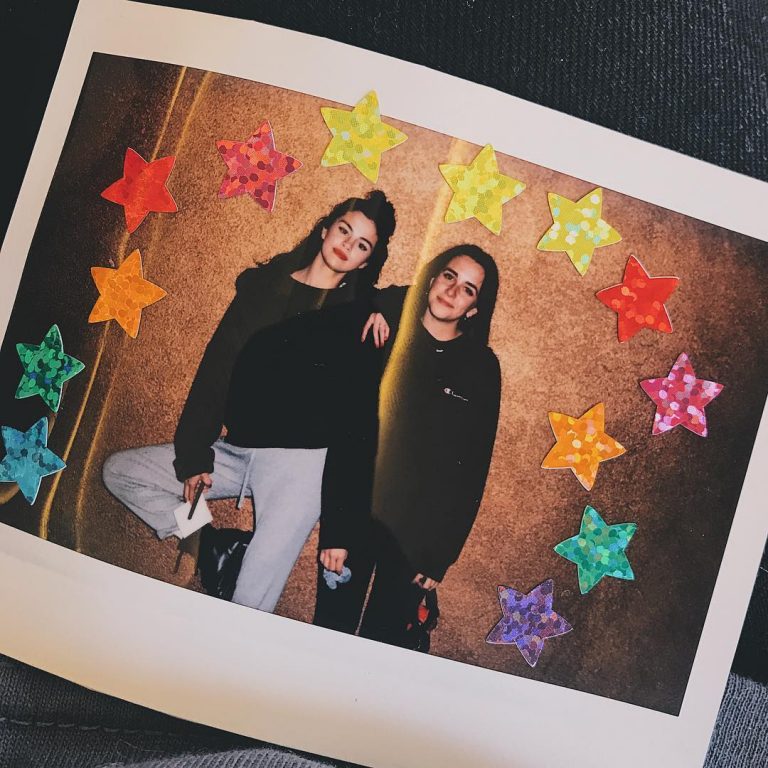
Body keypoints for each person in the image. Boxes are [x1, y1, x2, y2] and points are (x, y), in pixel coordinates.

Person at [103, 191, 396, 612]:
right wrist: (195, 456)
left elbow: (359, 425)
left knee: (250, 602)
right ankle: (207, 542)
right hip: (235, 449)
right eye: (345, 230)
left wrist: (340, 527)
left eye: (362, 245)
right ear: (325, 228)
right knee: (121, 472)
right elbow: (216, 371)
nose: (347, 245)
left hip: (301, 466)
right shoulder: (262, 289)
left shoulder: (361, 321)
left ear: (366, 262)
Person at [313, 245, 502, 647]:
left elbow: (472, 469)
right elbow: (347, 436)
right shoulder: (381, 333)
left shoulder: (481, 368)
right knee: (328, 635)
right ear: (432, 278)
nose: (452, 291)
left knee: (380, 648)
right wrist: (335, 528)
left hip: (417, 539)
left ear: (474, 308)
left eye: (468, 290)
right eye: (449, 276)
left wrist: (440, 555)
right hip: (358, 514)